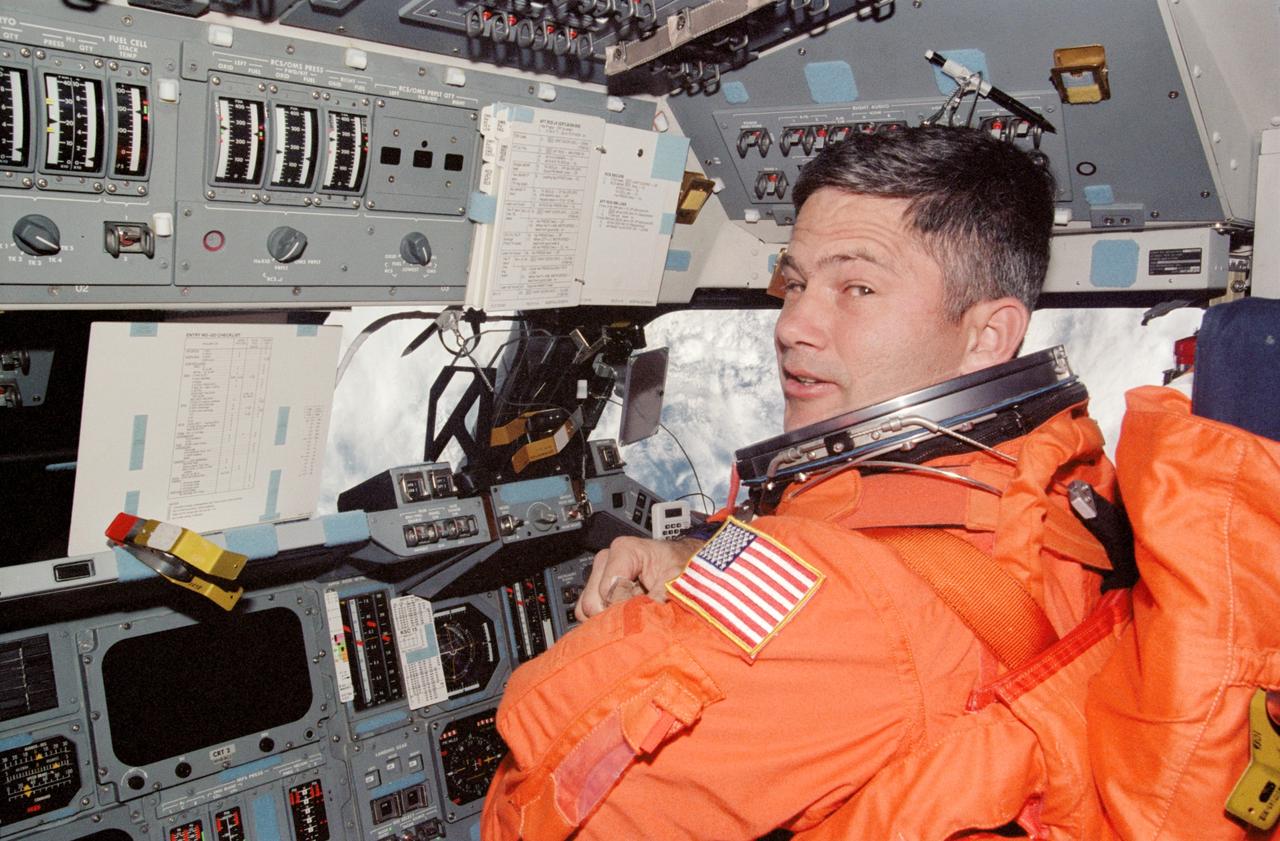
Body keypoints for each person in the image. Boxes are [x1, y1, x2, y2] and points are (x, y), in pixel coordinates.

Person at [481, 126, 1118, 840]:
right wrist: (696, 562)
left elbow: (536, 807)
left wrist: (644, 629)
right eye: (796, 281)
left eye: (859, 287)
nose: (793, 324)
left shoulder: (847, 611)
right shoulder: (1058, 480)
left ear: (988, 335)